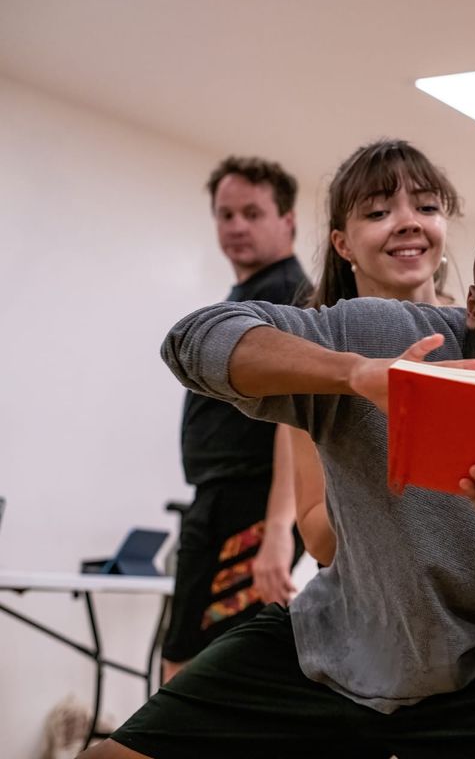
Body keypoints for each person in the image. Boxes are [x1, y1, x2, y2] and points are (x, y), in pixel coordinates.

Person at [84, 199, 475, 759]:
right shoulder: (392, 338)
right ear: (473, 305)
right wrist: (354, 374)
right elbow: (192, 341)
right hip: (339, 639)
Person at [268, 138, 462, 571]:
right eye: (378, 213)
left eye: (428, 208)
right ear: (343, 244)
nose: (409, 222)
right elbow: (319, 538)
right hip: (368, 602)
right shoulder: (313, 355)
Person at [164, 156, 311, 682]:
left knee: (209, 666)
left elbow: (292, 419)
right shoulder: (247, 294)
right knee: (186, 656)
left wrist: (276, 529)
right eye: (226, 215)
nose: (236, 227)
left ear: (288, 221)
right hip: (217, 499)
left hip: (250, 505)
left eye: (252, 212)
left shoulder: (290, 295)